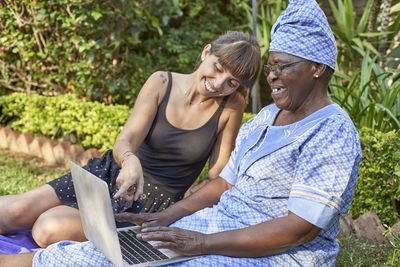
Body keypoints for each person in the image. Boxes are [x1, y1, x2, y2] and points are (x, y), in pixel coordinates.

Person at [0, 0, 363, 266]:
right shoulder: (265, 118)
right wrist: (170, 217)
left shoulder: (332, 132)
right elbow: (223, 185)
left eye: (283, 66)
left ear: (317, 68)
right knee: (102, 253)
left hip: (269, 250)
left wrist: (202, 241)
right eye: (271, 67)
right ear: (206, 54)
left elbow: (299, 230)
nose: (272, 76)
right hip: (210, 222)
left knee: (93, 251)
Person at [0, 31, 261, 249]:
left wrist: (182, 209)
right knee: (14, 211)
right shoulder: (162, 82)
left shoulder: (231, 107)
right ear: (206, 53)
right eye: (217, 68)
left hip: (149, 203)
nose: (219, 84)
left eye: (232, 82)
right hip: (108, 174)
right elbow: (126, 139)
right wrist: (129, 160)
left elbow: (218, 175)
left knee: (47, 227)